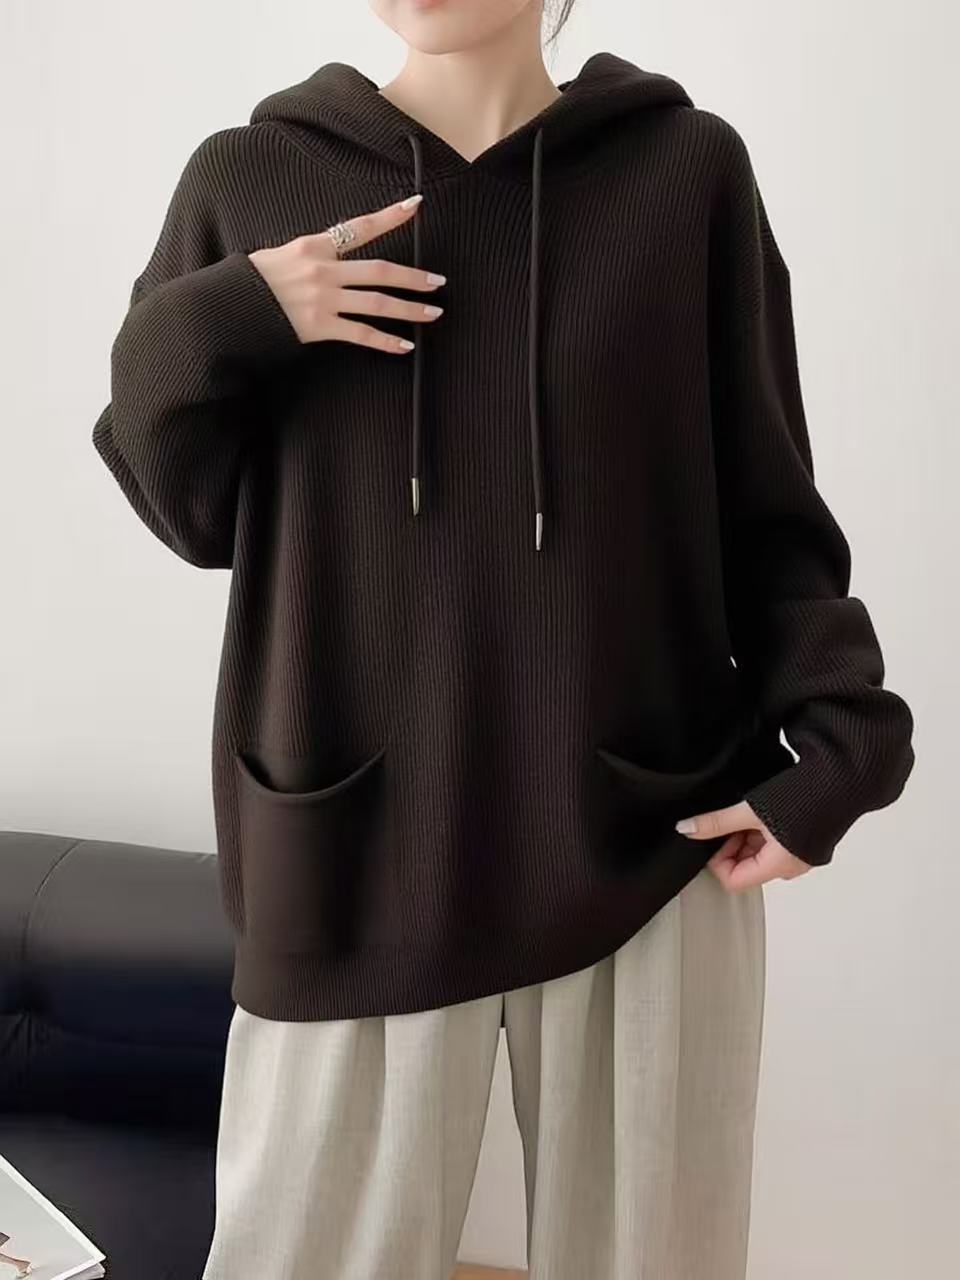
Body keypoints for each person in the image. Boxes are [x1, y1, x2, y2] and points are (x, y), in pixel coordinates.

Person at [91, 2, 915, 1277]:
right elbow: (186, 512)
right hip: (349, 843)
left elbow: (764, 504)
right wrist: (237, 313)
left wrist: (844, 748)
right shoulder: (251, 180)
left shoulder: (684, 174)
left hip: (648, 838)